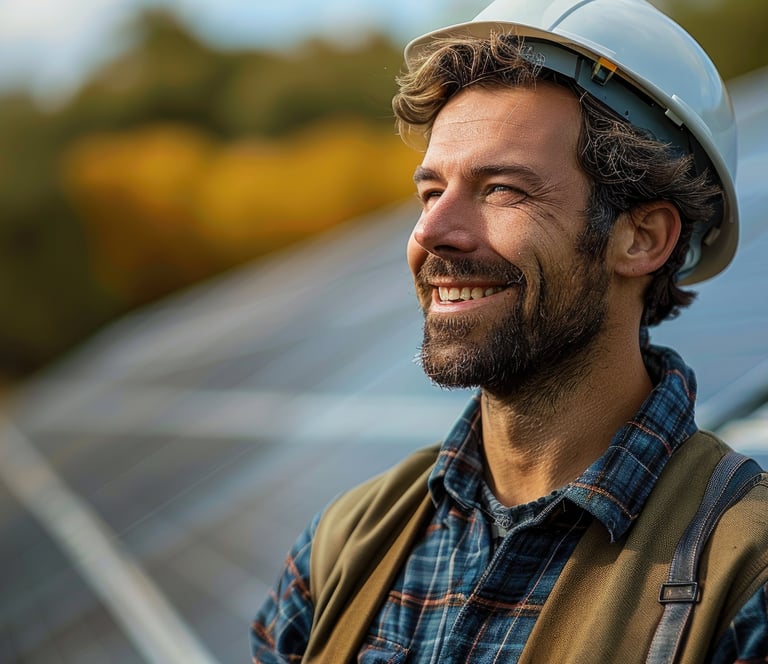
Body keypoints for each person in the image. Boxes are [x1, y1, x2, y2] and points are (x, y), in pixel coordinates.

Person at [251, 1, 768, 662]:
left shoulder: (745, 580)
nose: (432, 232)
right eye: (431, 191)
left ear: (642, 239)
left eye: (501, 190)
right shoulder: (342, 550)